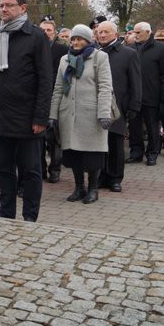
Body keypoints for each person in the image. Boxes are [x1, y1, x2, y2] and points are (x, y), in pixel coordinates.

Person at [0, 0, 52, 221]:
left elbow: (45, 80)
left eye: (9, 5)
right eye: (1, 5)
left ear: (23, 8)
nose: (3, 10)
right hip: (1, 116)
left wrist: (41, 118)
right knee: (4, 169)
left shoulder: (36, 36)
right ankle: (6, 214)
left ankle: (30, 217)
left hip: (28, 117)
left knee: (31, 171)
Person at [49, 25, 113, 204]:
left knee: (92, 154)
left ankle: (93, 189)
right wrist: (53, 115)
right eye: (73, 39)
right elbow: (59, 89)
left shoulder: (99, 57)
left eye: (79, 39)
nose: (76, 42)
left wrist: (104, 113)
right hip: (68, 114)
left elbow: (105, 87)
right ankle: (79, 188)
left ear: (88, 40)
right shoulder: (64, 60)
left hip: (91, 115)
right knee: (73, 154)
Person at [96, 21, 141, 192]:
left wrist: (134, 105)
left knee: (115, 143)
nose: (102, 35)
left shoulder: (128, 54)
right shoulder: (95, 52)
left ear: (116, 34)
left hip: (119, 105)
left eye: (106, 32)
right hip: (98, 105)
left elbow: (136, 82)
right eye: (100, 32)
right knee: (100, 143)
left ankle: (115, 178)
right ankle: (101, 176)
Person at [127, 22, 164, 166]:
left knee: (152, 127)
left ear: (148, 32)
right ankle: (136, 152)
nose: (135, 35)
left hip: (152, 95)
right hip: (134, 96)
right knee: (134, 127)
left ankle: (152, 153)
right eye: (134, 32)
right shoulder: (130, 49)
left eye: (138, 32)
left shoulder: (160, 49)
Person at [39, 15, 68, 183]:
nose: (45, 32)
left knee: (53, 138)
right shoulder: (34, 48)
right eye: (42, 30)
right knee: (38, 139)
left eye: (49, 30)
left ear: (54, 33)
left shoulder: (61, 50)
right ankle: (40, 168)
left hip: (54, 98)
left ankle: (55, 169)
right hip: (37, 99)